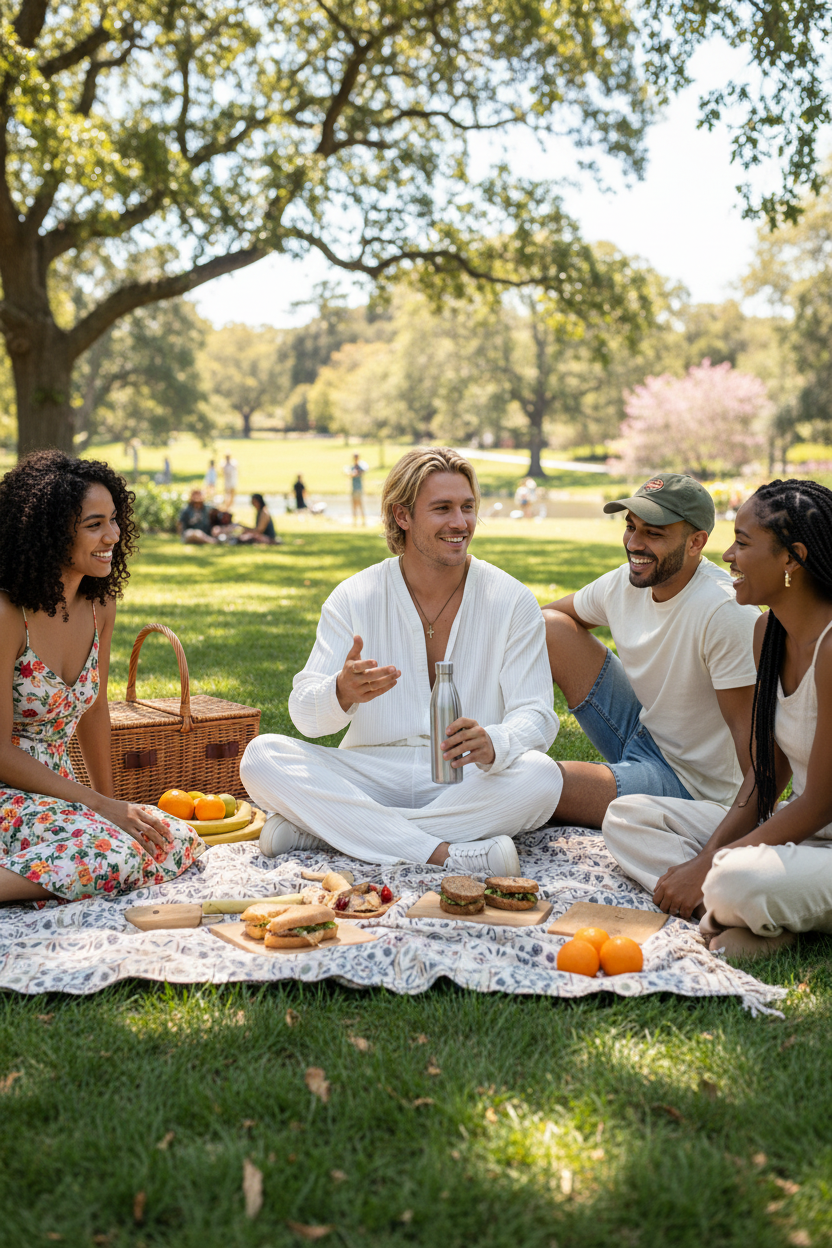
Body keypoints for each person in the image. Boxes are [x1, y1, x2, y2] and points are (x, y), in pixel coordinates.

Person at [241, 447, 563, 874]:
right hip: (372, 772)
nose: (461, 523)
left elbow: (538, 714)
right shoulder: (354, 596)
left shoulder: (512, 600)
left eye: (467, 508)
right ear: (402, 516)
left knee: (542, 777)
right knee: (262, 757)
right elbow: (304, 717)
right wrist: (339, 692)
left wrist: (496, 741)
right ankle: (443, 854)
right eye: (442, 508)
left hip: (466, 780)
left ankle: (328, 831)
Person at [603, 479, 832, 960]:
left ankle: (755, 906)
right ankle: (767, 909)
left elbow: (819, 803)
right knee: (629, 816)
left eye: (743, 543)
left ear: (792, 558)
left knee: (731, 877)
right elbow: (766, 778)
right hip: (808, 840)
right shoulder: (768, 633)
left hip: (817, 827)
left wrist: (711, 862)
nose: (727, 555)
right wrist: (713, 858)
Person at [0, 451, 204, 905]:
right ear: (50, 534)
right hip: (8, 794)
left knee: (175, 839)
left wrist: (115, 807)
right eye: (94, 525)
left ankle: (54, 866)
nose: (112, 535)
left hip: (60, 792)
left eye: (114, 520)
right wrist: (99, 809)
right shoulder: (8, 614)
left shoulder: (99, 606)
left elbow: (95, 712)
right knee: (113, 854)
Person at [542, 474, 758, 829]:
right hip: (641, 731)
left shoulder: (725, 612)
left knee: (541, 784)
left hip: (691, 785)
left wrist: (735, 830)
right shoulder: (626, 583)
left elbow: (754, 745)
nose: (634, 544)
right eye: (631, 527)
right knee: (550, 627)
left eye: (654, 533)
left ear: (696, 542)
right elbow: (537, 625)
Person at [349, 453, 366, 525]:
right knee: (354, 505)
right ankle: (355, 521)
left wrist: (355, 473)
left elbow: (361, 472)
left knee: (360, 504)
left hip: (358, 489)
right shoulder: (352, 467)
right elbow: (349, 474)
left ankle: (363, 521)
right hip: (354, 488)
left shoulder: (360, 467)